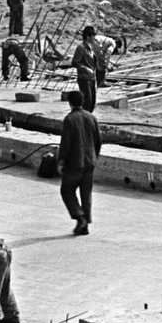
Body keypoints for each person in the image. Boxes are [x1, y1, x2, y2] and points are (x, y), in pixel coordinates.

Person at [57, 88, 101, 235]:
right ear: (83, 101)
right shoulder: (91, 117)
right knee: (86, 193)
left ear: (69, 103)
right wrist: (95, 157)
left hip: (75, 163)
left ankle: (80, 217)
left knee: (67, 190)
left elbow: (66, 144)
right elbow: (98, 141)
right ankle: (85, 224)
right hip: (90, 162)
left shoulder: (69, 119)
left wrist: (61, 162)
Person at [72, 26, 100, 112]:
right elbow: (75, 63)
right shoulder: (81, 47)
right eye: (93, 35)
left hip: (91, 78)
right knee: (87, 102)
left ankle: (88, 118)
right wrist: (85, 69)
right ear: (88, 36)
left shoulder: (91, 48)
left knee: (92, 103)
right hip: (84, 79)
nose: (95, 37)